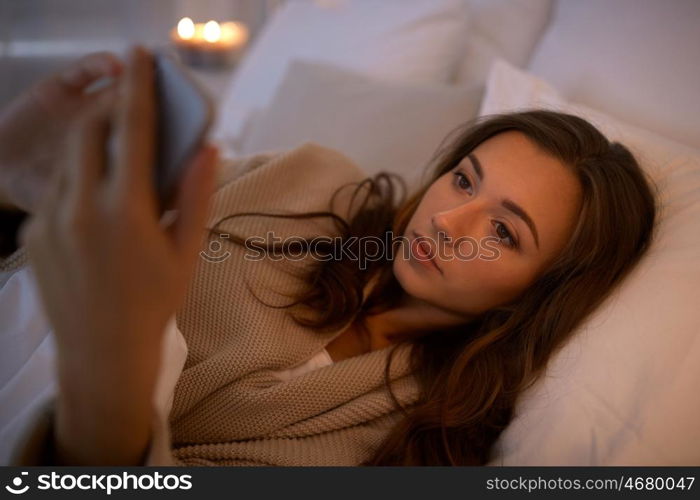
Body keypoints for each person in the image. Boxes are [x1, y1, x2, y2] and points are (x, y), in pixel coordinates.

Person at [0, 47, 657, 466]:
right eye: (463, 178)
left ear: (541, 292)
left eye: (507, 232)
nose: (451, 220)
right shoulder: (306, 179)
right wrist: (18, 186)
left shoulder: (412, 441)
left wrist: (111, 361)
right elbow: (93, 227)